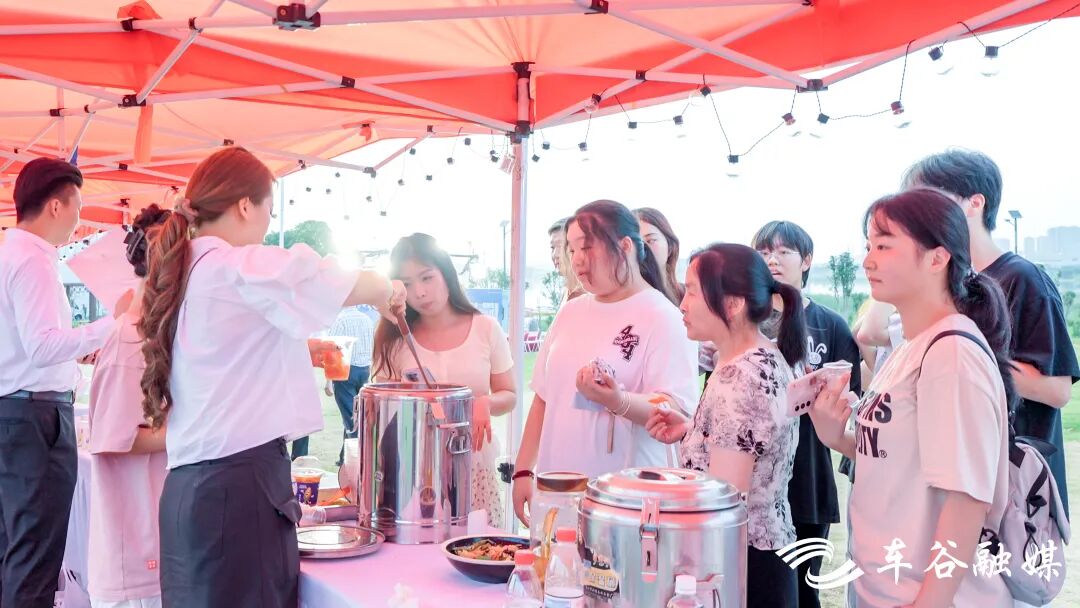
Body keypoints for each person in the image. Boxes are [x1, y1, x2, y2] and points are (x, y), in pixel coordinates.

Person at [137, 147, 405, 607]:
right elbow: (322, 279)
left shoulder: (187, 272)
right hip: (237, 491)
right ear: (245, 205)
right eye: (268, 211)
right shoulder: (234, 265)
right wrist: (386, 287)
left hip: (188, 493)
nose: (266, 224)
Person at [811, 188, 1014, 606]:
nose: (868, 260)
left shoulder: (951, 354)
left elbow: (967, 500)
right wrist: (838, 437)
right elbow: (900, 458)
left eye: (884, 246)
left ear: (937, 259)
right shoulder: (912, 346)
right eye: (869, 246)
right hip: (882, 585)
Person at [903, 149, 1079, 516]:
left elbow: (1056, 389)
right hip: (961, 474)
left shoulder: (1024, 279)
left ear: (975, 203)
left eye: (928, 200)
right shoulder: (948, 283)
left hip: (1016, 490)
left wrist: (967, 356)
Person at [513, 200, 697, 525]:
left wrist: (617, 400)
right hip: (558, 489)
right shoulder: (570, 311)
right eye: (572, 250)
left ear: (625, 247)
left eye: (587, 248)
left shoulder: (662, 316)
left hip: (624, 503)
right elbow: (543, 397)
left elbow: (674, 411)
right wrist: (523, 470)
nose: (577, 260)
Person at [0, 158, 131, 608]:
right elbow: (42, 347)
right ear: (56, 205)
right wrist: (113, 325)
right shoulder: (32, 260)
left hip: (16, 411)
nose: (79, 217)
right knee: (34, 556)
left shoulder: (9, 252)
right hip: (34, 418)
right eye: (78, 205)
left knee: (14, 549)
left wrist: (78, 347)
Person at [646, 243, 807, 606]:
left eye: (691, 292)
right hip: (760, 553)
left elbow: (725, 497)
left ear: (732, 305)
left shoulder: (742, 375)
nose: (682, 304)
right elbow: (748, 446)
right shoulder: (755, 357)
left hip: (744, 563)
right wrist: (693, 431)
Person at [751, 220, 861, 608]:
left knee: (803, 590)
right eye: (764, 252)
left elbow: (850, 398)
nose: (773, 260)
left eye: (784, 252)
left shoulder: (829, 325)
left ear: (807, 260)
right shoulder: (743, 321)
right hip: (753, 478)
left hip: (808, 478)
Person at [372, 233, 516, 528]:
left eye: (427, 278)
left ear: (446, 274)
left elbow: (509, 394)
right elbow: (382, 410)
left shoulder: (485, 329)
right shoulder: (394, 338)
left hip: (473, 464)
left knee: (477, 544)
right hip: (414, 470)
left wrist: (485, 403)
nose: (420, 293)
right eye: (407, 284)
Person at [86, 205, 172, 608]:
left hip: (155, 551)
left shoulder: (153, 334)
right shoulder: (130, 341)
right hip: (137, 565)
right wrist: (198, 430)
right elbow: (114, 437)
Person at [634, 207, 685, 304]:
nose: (643, 249)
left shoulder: (687, 297)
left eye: (650, 241)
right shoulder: (622, 300)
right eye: (635, 243)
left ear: (670, 247)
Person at [548, 217, 584, 303]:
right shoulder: (567, 291)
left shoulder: (589, 296)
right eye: (552, 247)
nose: (555, 255)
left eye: (561, 246)